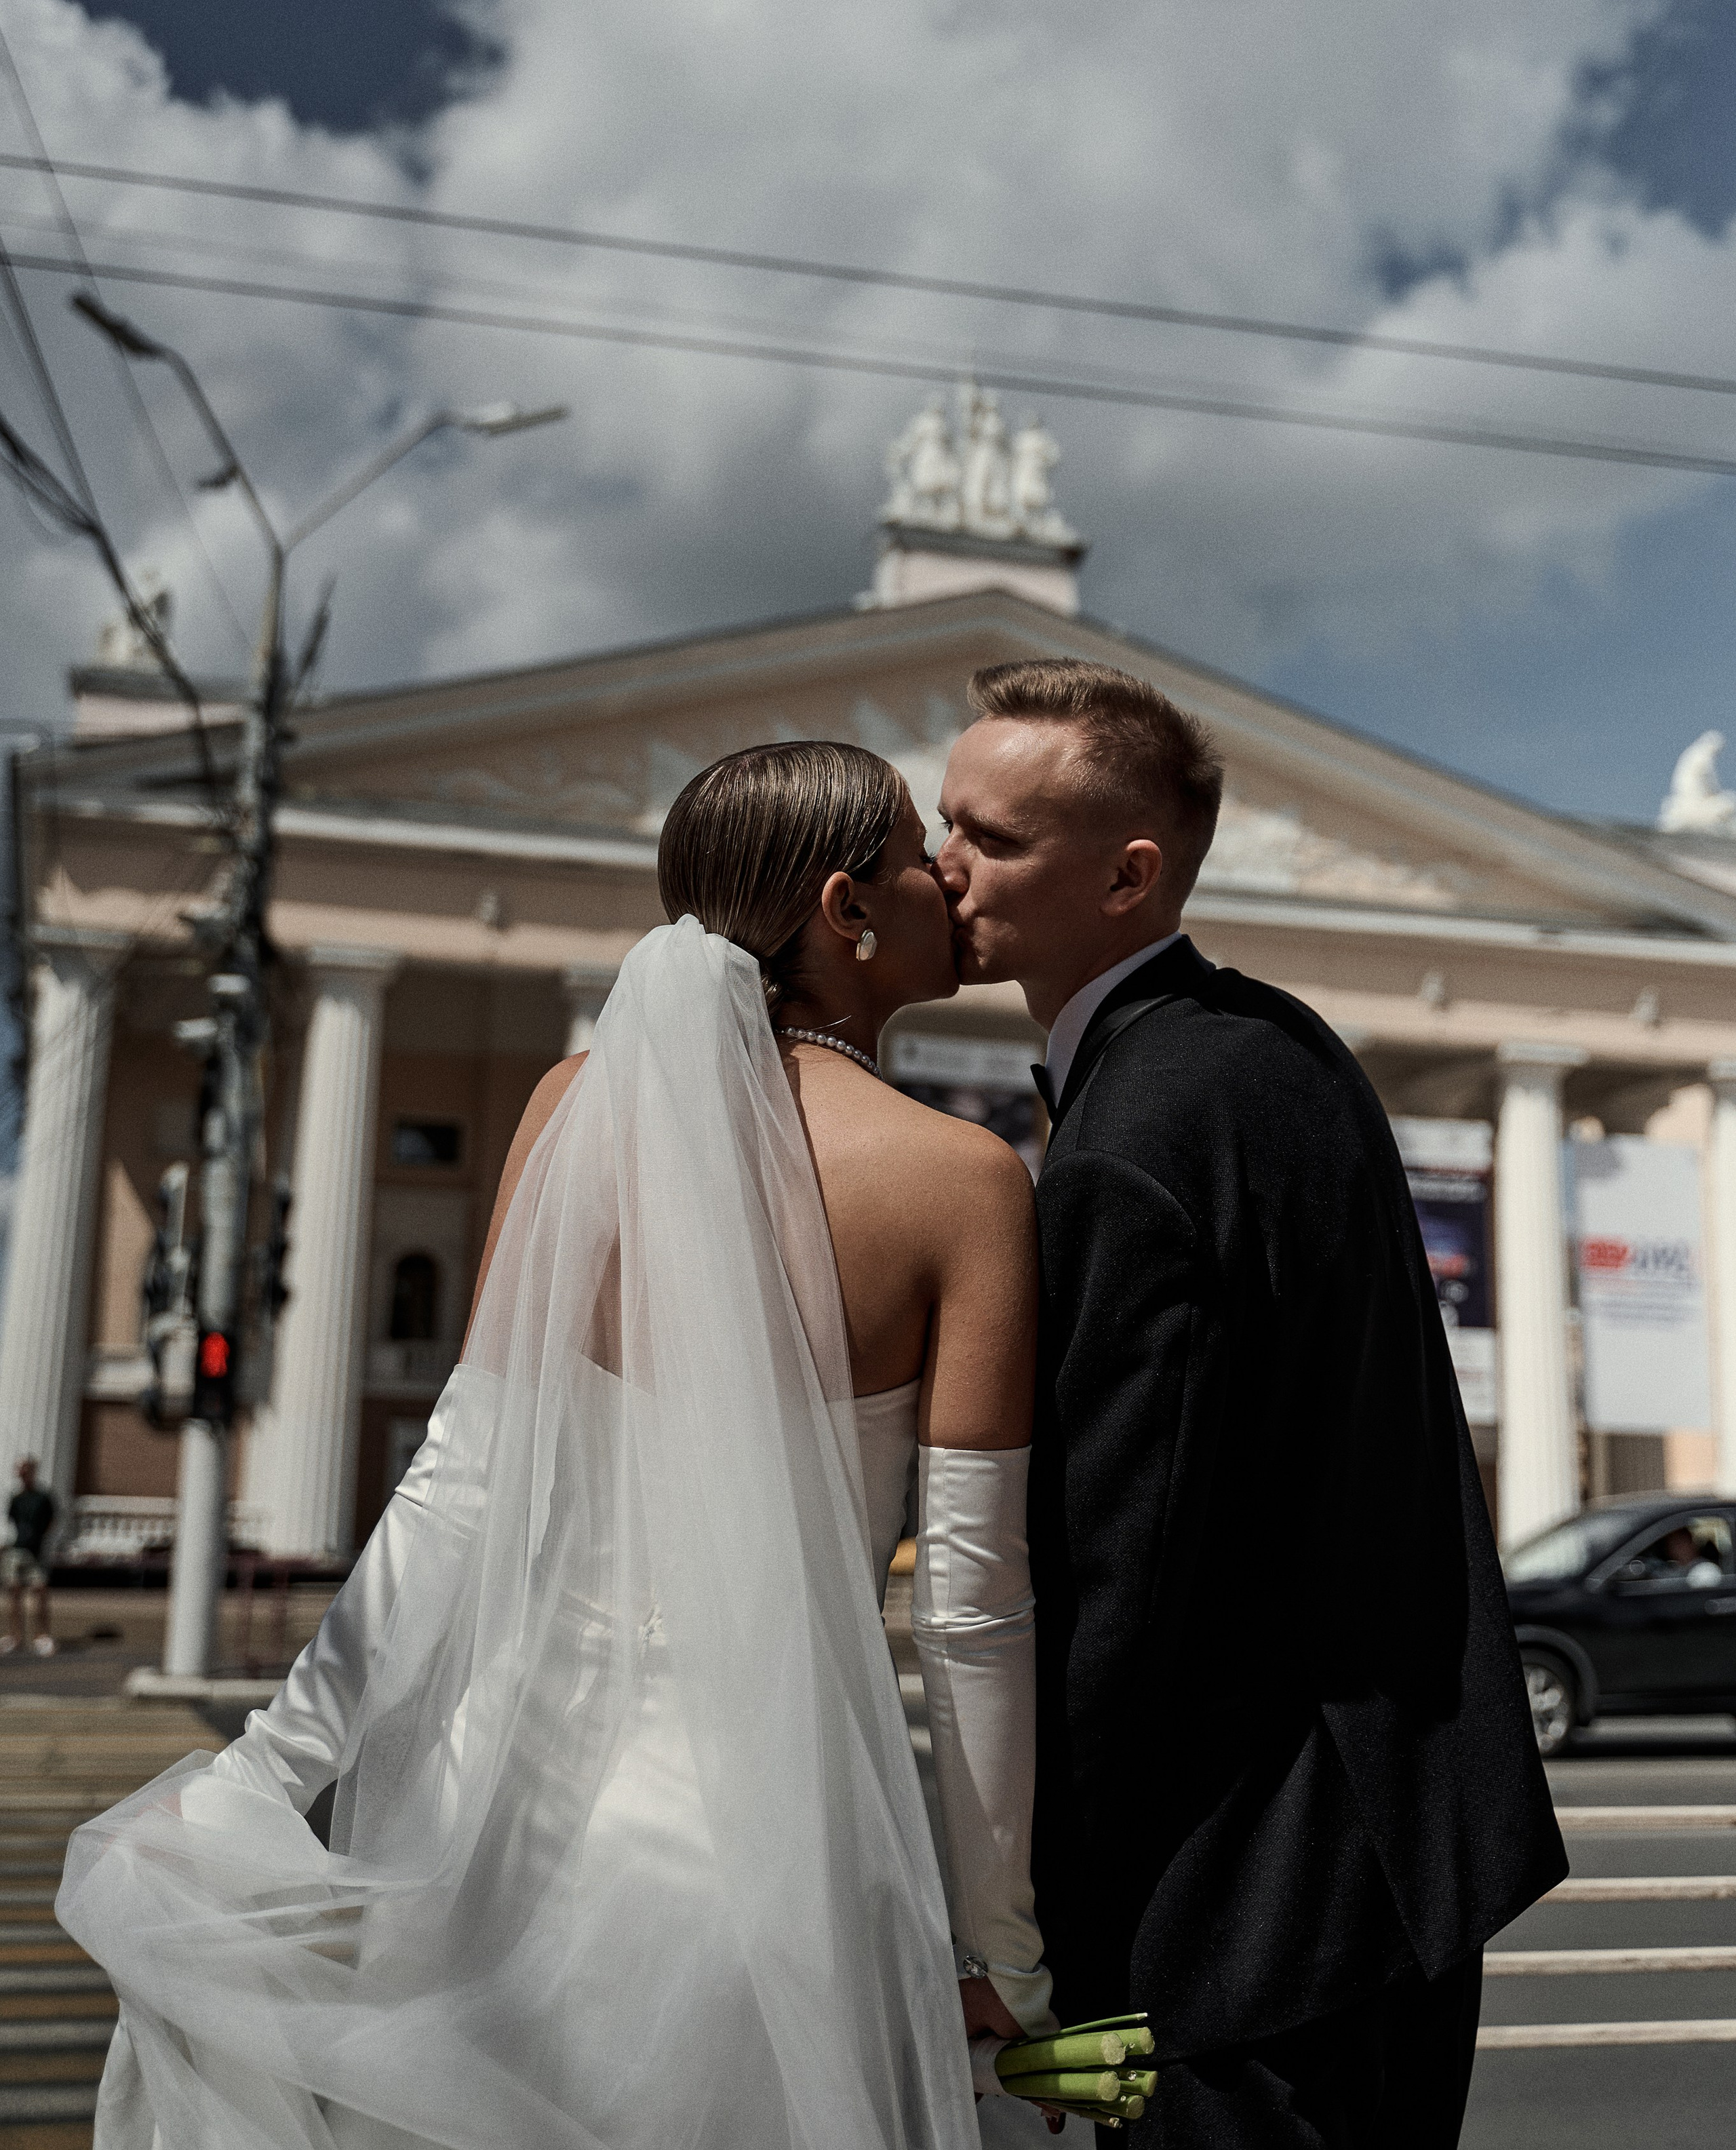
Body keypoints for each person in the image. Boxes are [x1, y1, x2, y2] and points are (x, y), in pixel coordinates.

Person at [61, 742, 1050, 2149]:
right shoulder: (964, 1182)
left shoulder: (572, 1112)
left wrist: (265, 1773)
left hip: (501, 1815)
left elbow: (453, 1493)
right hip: (768, 1849)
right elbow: (970, 1613)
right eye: (913, 852)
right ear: (846, 910)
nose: (945, 874)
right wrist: (1000, 1943)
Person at [936, 658, 1568, 2149]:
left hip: (1236, 1929)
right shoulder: (1273, 1045)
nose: (939, 862)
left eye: (991, 836)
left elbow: (1116, 1579)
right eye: (943, 819)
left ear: (1127, 875)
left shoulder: (1133, 1135)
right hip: (1392, 1867)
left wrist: (1027, 1931)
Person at [1, 1458, 55, 1658]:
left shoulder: (43, 1498)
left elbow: (52, 1521)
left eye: (25, 1471)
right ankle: (16, 1637)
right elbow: (11, 1522)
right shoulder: (16, 1498)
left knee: (40, 1590)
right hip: (17, 1551)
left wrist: (40, 1540)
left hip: (35, 1552)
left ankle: (42, 1636)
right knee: (14, 1593)